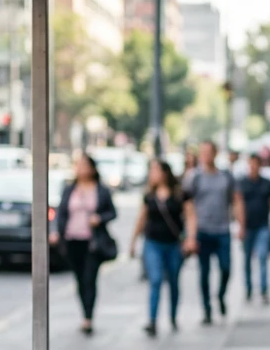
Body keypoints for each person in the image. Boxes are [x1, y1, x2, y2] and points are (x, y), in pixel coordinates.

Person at [52, 152, 117, 335]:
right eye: (79, 165)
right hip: (72, 239)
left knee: (89, 278)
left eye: (85, 165)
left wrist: (99, 218)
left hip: (92, 242)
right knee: (80, 279)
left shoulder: (101, 190)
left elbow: (112, 212)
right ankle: (84, 311)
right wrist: (56, 232)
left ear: (92, 168)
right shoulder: (69, 189)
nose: (81, 169)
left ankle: (88, 317)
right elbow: (61, 213)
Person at [130, 160, 197, 336]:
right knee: (156, 279)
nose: (152, 174)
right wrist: (133, 242)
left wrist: (190, 239)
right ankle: (152, 320)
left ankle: (173, 316)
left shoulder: (180, 193)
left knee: (174, 280)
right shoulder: (149, 195)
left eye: (155, 170)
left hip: (174, 244)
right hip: (153, 243)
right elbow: (141, 218)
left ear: (165, 173)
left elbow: (190, 216)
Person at [183, 141, 240, 324]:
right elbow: (187, 206)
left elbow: (236, 200)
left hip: (222, 229)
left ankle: (221, 295)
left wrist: (241, 224)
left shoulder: (225, 176)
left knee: (226, 268)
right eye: (203, 152)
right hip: (202, 230)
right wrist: (190, 235)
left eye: (209, 152)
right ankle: (206, 308)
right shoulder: (194, 177)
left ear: (215, 153)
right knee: (204, 271)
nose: (206, 155)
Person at [237, 154, 270, 304]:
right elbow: (238, 204)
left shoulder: (267, 183)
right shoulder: (242, 183)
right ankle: (248, 288)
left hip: (263, 225)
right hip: (248, 226)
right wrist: (241, 225)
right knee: (247, 259)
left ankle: (264, 289)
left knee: (262, 257)